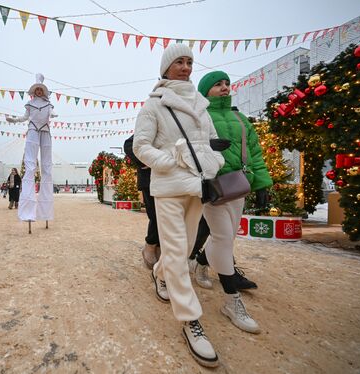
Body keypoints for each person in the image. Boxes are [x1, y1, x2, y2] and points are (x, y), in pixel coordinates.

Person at [133, 43, 225, 368]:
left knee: (183, 248)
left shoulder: (201, 103)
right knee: (175, 250)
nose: (186, 67)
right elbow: (141, 145)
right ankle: (191, 321)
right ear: (166, 67)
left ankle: (160, 273)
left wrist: (214, 160)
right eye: (179, 62)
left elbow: (212, 141)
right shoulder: (153, 104)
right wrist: (169, 162)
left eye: (189, 61)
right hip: (169, 187)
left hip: (198, 185)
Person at [190, 70, 272, 335]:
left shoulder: (240, 118)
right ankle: (231, 300)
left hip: (239, 184)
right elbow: (187, 147)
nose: (224, 88)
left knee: (225, 238)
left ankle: (201, 264)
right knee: (223, 237)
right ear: (205, 91)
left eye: (226, 83)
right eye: (217, 85)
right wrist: (207, 147)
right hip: (212, 185)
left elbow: (255, 151)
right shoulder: (198, 116)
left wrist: (262, 183)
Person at [6, 74, 57, 223]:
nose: (39, 92)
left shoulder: (48, 104)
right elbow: (24, 117)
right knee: (30, 166)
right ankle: (28, 211)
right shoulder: (30, 104)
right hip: (33, 129)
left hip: (45, 130)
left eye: (41, 90)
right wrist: (15, 120)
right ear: (34, 92)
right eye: (37, 90)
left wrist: (53, 114)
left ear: (43, 92)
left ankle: (45, 212)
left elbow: (50, 112)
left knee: (47, 166)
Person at [124, 135, 160, 269]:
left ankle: (161, 247)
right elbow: (129, 145)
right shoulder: (149, 120)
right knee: (155, 216)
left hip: (169, 177)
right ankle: (150, 245)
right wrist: (144, 162)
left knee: (168, 217)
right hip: (149, 179)